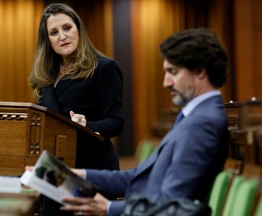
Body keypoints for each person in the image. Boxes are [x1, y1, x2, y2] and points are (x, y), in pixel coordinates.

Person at [58, 28, 230, 216]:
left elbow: (172, 206)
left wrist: (107, 209)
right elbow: (141, 178)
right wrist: (81, 175)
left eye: (173, 72)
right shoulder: (196, 116)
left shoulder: (202, 123)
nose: (166, 82)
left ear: (200, 72)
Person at [29, 3, 124, 170]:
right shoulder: (44, 78)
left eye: (67, 28)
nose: (62, 36)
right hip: (57, 166)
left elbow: (116, 122)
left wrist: (87, 126)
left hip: (93, 167)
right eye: (54, 32)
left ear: (78, 30)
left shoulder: (103, 67)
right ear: (48, 41)